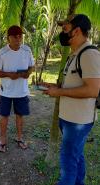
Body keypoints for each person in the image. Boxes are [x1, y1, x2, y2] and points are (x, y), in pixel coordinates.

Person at [42, 14, 100, 185]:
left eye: (65, 28)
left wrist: (59, 92)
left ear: (77, 31)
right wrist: (53, 86)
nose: (62, 32)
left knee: (68, 163)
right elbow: (71, 84)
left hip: (78, 121)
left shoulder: (90, 54)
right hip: (68, 118)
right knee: (76, 156)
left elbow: (93, 89)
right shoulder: (75, 54)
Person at [0, 25, 35, 153]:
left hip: (21, 91)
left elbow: (31, 67)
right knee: (4, 116)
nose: (18, 38)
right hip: (6, 90)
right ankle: (2, 140)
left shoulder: (27, 50)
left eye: (20, 36)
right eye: (15, 36)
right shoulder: (2, 52)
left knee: (20, 116)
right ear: (8, 38)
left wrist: (28, 72)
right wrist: (9, 74)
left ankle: (19, 138)